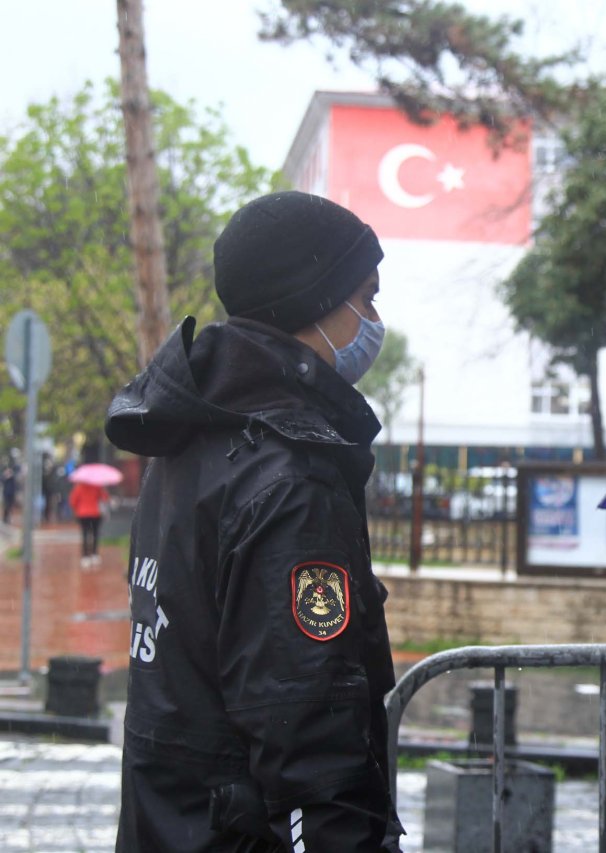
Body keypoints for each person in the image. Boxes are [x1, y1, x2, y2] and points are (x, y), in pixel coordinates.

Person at [105, 191, 402, 852]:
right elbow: (308, 737)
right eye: (367, 295)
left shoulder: (191, 439)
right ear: (315, 297)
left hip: (172, 821)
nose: (375, 318)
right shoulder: (291, 477)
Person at [68, 477, 107, 566]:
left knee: (85, 534)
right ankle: (94, 554)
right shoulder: (97, 486)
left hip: (83, 514)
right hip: (95, 513)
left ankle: (85, 556)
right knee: (95, 534)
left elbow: (72, 501)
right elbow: (105, 497)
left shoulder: (79, 487)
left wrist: (77, 509)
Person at [1, 459, 16, 525]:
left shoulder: (12, 476)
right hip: (6, 493)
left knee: (10, 506)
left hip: (11, 493)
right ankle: (5, 518)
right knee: (6, 506)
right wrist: (5, 476)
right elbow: (2, 480)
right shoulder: (4, 476)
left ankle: (8, 518)